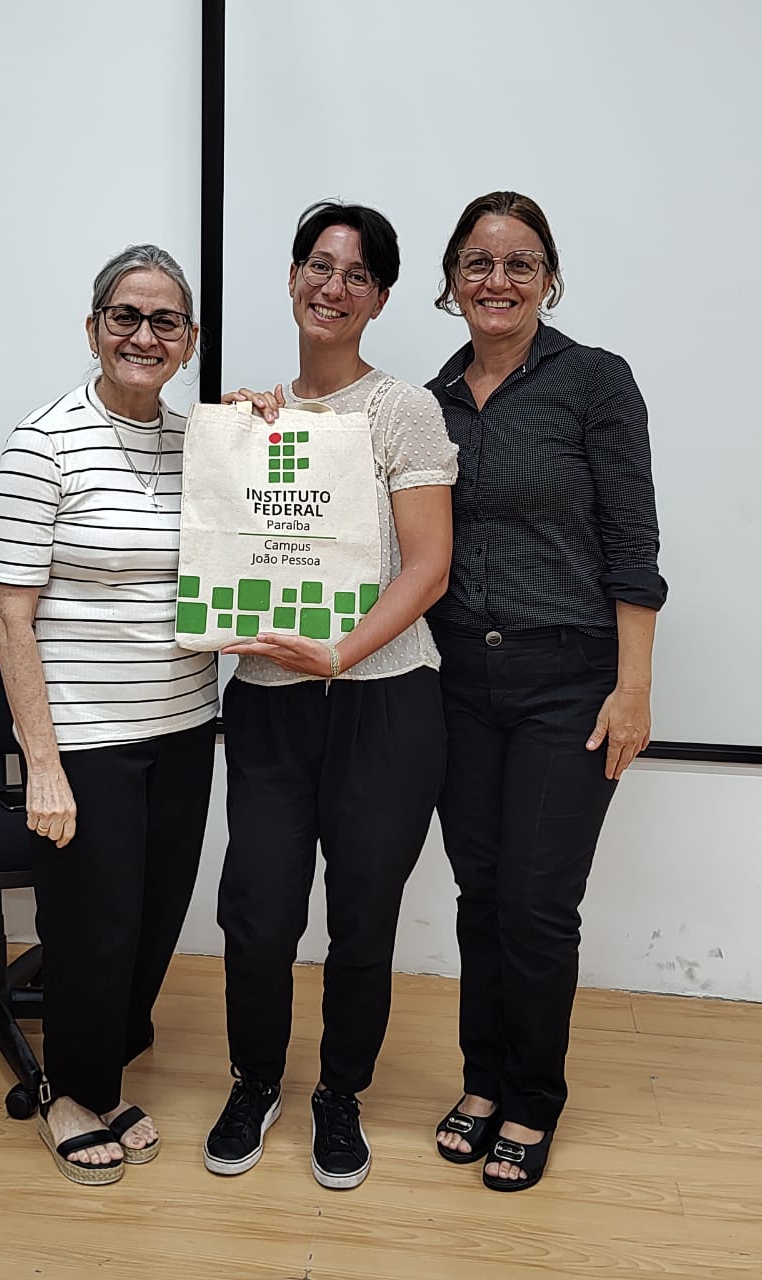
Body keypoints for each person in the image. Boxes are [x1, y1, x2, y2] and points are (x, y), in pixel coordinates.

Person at [203, 201, 459, 1190]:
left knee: (362, 915)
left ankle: (339, 1093)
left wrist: (340, 654)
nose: (333, 286)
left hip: (383, 702)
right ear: (292, 278)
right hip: (269, 701)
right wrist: (232, 446)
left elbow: (428, 566)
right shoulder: (253, 419)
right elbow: (226, 551)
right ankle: (255, 1080)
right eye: (319, 265)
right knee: (259, 913)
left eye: (357, 274)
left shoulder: (402, 411)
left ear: (380, 299)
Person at [426, 192, 667, 1191]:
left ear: (549, 279)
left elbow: (633, 542)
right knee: (481, 895)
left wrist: (633, 688)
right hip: (456, 682)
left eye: (520, 263)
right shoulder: (430, 400)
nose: (498, 280)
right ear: (452, 281)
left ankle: (534, 1098)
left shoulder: (594, 381)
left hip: (568, 681)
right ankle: (483, 1082)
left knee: (535, 903)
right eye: (478, 263)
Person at [0, 245, 218, 1185]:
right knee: (95, 928)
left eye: (166, 321)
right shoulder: (43, 443)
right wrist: (42, 763)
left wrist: (267, 429)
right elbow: (9, 614)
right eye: (126, 316)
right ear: (93, 329)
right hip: (86, 736)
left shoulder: (199, 444)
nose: (144, 336)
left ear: (189, 340)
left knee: (156, 918)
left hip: (187, 724)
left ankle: (104, 1073)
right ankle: (70, 1095)